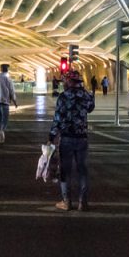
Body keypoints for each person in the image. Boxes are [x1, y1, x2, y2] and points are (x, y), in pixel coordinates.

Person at [49, 70, 96, 211]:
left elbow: (57, 118)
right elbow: (91, 108)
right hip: (82, 138)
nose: (64, 83)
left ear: (70, 82)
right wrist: (86, 92)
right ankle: (83, 202)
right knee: (82, 170)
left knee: (65, 171)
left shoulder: (63, 97)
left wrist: (52, 135)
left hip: (67, 138)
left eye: (66, 81)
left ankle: (66, 201)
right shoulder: (86, 95)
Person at [0, 63, 18, 143]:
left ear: (1, 69)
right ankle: (2, 130)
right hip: (5, 101)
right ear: (7, 70)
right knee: (5, 118)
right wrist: (15, 101)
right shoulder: (8, 79)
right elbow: (12, 91)